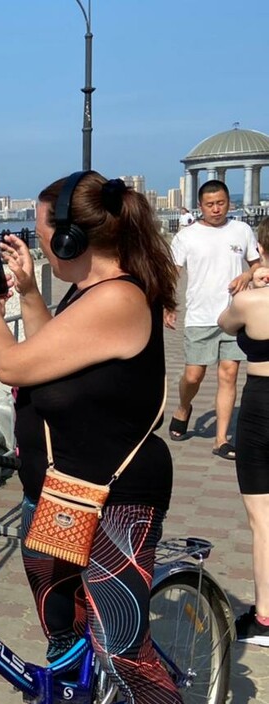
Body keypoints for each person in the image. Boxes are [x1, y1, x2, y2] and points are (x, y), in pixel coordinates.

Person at [0, 171, 193, 704]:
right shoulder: (91, 293)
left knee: (127, 653)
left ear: (71, 241)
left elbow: (13, 363)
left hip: (118, 500)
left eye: (45, 236)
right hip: (67, 491)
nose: (41, 247)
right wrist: (26, 293)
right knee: (64, 624)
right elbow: (56, 359)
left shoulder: (120, 299)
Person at [166, 180, 262, 459]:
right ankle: (184, 407)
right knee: (194, 375)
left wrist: (245, 276)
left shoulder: (242, 230)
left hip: (233, 315)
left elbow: (257, 266)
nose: (216, 209)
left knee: (229, 373)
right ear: (200, 206)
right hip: (199, 315)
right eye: (210, 204)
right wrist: (168, 304)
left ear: (229, 202)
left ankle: (221, 440)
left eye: (221, 203)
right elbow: (174, 273)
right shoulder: (187, 236)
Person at [217, 217, 269, 645]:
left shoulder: (254, 302)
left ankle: (265, 618)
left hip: (262, 406)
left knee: (262, 519)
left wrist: (252, 277)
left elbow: (224, 322)